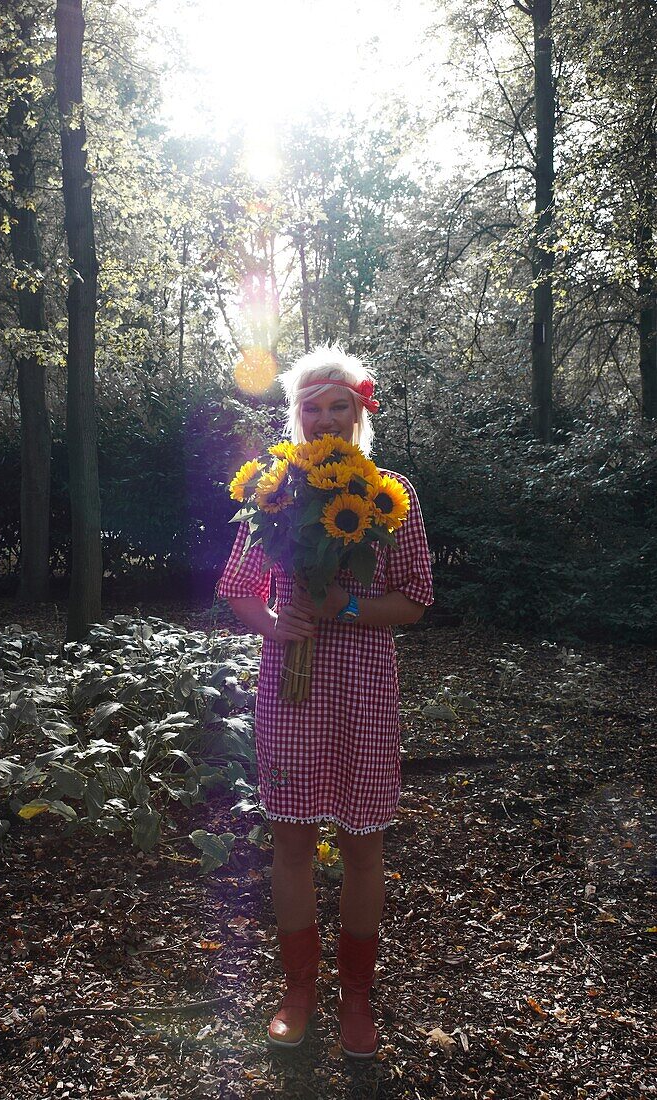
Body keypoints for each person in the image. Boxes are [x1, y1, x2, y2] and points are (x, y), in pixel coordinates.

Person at [217, 345, 433, 1058]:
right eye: (311, 408)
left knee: (364, 847)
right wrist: (277, 622)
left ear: (359, 412)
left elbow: (412, 601)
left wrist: (341, 605)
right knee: (292, 845)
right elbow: (239, 588)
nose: (325, 419)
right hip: (290, 687)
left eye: (338, 406)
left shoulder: (387, 494)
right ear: (296, 416)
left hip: (365, 690)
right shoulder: (273, 489)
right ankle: (298, 988)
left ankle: (356, 997)